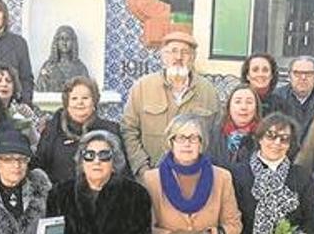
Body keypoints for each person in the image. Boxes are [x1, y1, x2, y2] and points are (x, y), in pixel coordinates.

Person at [120, 31, 220, 179]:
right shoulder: (142, 87)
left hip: (194, 179)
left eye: (185, 52)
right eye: (173, 51)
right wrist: (143, 169)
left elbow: (215, 137)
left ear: (193, 57)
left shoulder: (208, 91)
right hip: (151, 177)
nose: (178, 57)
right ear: (163, 56)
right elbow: (128, 130)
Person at [36, 76, 122, 184]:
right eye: (74, 98)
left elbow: (121, 170)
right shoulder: (52, 130)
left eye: (85, 98)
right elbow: (40, 167)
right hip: (60, 196)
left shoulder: (110, 130)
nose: (80, 102)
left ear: (94, 101)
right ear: (67, 103)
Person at [269, 56, 314, 142]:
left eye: (308, 74)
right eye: (297, 73)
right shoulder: (274, 98)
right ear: (289, 75)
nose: (303, 77)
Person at [0, 64, 48, 143]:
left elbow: (35, 143)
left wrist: (28, 123)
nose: (4, 84)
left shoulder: (20, 111)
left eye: (8, 81)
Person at [206, 84, 260, 169]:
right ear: (229, 106)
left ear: (256, 107)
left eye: (249, 102)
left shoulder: (263, 137)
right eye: (238, 102)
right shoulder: (213, 134)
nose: (243, 107)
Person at [36, 25, 91, 92]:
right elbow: (40, 88)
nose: (64, 43)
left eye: (68, 39)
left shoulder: (81, 68)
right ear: (56, 42)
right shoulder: (48, 66)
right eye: (61, 39)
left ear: (73, 42)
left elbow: (87, 90)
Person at [240, 53, 281, 117]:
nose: (260, 74)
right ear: (247, 75)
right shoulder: (238, 101)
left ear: (272, 75)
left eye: (265, 70)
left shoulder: (282, 104)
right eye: (255, 70)